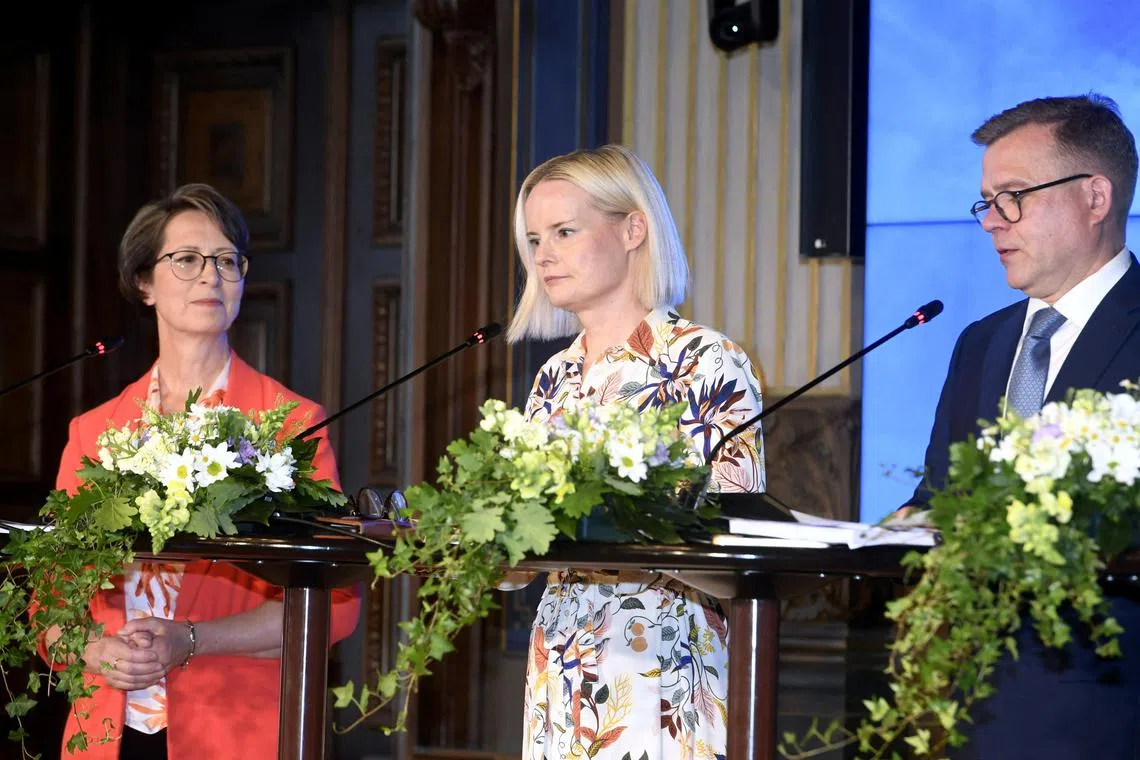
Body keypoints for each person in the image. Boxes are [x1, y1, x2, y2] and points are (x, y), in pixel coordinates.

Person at [40, 184, 361, 760]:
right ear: (144, 282)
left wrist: (189, 641)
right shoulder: (94, 432)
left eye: (227, 261)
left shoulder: (288, 425)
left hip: (235, 731)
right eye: (186, 260)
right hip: (107, 733)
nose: (210, 277)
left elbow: (334, 604)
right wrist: (93, 649)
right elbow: (50, 602)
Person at [507, 144, 765, 759]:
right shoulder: (555, 378)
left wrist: (622, 524)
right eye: (535, 239)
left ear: (632, 229)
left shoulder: (704, 362)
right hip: (561, 669)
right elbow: (522, 565)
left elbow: (737, 553)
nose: (544, 254)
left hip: (659, 670)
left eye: (565, 231)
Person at [911, 95, 1140, 758]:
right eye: (986, 201)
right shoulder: (979, 344)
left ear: (1095, 197)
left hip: (1108, 708)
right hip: (973, 709)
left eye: (1013, 196)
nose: (992, 222)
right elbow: (940, 497)